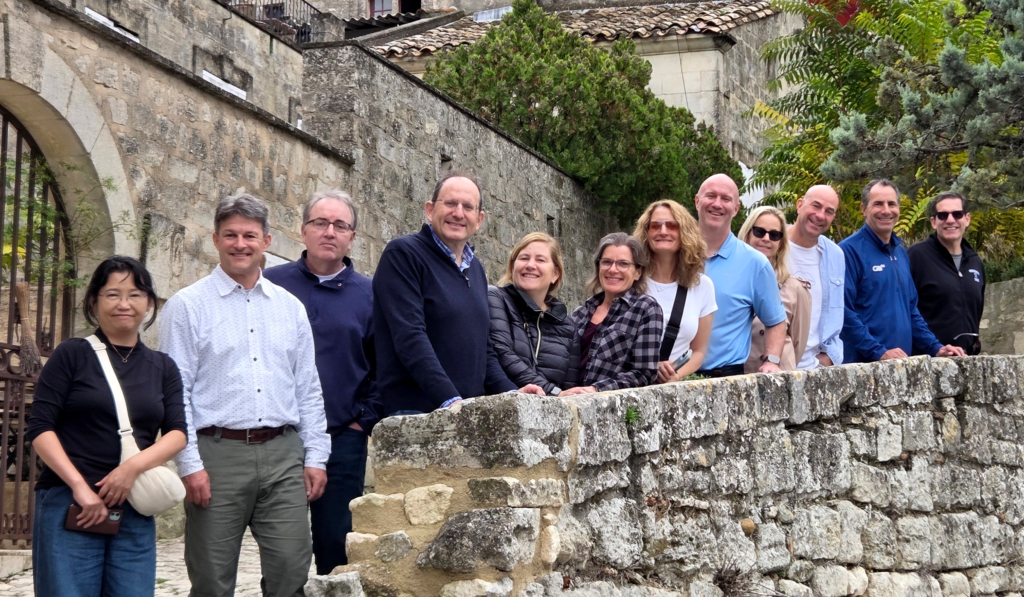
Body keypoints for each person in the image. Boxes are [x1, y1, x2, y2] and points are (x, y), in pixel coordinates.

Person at [160, 193, 331, 597]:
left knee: (291, 572)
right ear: (215, 239)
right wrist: (189, 464)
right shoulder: (187, 306)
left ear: (266, 241)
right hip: (217, 456)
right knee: (211, 580)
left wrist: (316, 456)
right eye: (231, 235)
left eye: (250, 236)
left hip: (283, 455)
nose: (240, 244)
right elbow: (176, 393)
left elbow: (308, 388)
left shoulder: (290, 308)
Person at [27, 256, 187, 596]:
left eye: (135, 294)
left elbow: (177, 433)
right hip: (72, 503)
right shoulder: (71, 355)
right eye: (113, 294)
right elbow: (40, 428)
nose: (124, 304)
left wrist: (130, 469)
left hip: (134, 503)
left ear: (149, 303)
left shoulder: (162, 366)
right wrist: (79, 487)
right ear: (94, 301)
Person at [264, 190, 379, 574]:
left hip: (342, 438)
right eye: (320, 223)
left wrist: (362, 420)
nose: (330, 232)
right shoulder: (270, 285)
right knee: (281, 550)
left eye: (340, 225)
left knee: (335, 545)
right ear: (303, 230)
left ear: (352, 237)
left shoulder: (371, 295)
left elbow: (385, 367)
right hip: (277, 437)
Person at [373, 171, 544, 416]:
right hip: (416, 414)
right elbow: (409, 336)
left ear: (479, 219)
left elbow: (484, 351)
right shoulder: (403, 255)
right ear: (430, 209)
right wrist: (450, 400)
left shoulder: (475, 269)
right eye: (450, 203)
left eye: (468, 207)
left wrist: (511, 394)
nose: (458, 213)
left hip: (465, 415)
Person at [840, 179, 967, 362]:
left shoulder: (900, 253)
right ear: (864, 209)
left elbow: (911, 312)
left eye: (891, 204)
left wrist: (936, 348)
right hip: (862, 368)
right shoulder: (848, 251)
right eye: (878, 204)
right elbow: (844, 313)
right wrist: (879, 352)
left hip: (899, 366)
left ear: (898, 209)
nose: (886, 210)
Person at [694, 174, 787, 377]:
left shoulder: (755, 263)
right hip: (666, 376)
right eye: (711, 196)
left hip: (723, 378)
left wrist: (771, 361)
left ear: (736, 209)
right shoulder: (674, 253)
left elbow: (776, 321)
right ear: (697, 201)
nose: (717, 204)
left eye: (726, 199)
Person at [560, 233, 664, 395]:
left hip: (608, 405)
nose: (613, 269)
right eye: (607, 262)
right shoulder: (581, 312)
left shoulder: (646, 308)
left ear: (638, 272)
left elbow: (644, 372)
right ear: (598, 267)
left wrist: (596, 389)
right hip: (568, 401)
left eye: (623, 264)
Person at [632, 199, 717, 382]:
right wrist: (650, 366)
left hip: (672, 385)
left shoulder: (702, 286)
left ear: (684, 232)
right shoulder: (632, 281)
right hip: (631, 382)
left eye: (672, 226)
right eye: (655, 226)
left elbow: (699, 351)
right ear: (646, 233)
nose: (663, 231)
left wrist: (676, 376)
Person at [488, 233, 578, 395]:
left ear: (555, 274)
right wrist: (552, 391)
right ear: (513, 266)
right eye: (524, 258)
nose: (530, 265)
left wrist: (560, 396)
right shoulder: (495, 299)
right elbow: (501, 353)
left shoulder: (568, 326)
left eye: (540, 260)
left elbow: (569, 387)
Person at [908, 191, 985, 355]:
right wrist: (934, 347)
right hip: (927, 360)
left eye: (957, 214)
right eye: (943, 215)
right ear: (933, 222)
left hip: (968, 360)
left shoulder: (975, 262)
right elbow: (905, 312)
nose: (950, 220)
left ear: (967, 219)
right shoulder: (915, 257)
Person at [739, 207, 812, 372]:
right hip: (741, 375)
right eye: (759, 232)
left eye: (774, 235)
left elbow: (798, 343)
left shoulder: (795, 288)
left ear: (781, 243)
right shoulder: (732, 282)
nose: (766, 239)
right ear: (747, 234)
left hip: (778, 374)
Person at [786, 185, 845, 368]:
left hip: (815, 368)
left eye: (829, 211)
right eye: (816, 206)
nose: (820, 215)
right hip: (772, 367)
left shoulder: (835, 255)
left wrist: (830, 358)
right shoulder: (771, 244)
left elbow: (836, 314)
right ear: (799, 205)